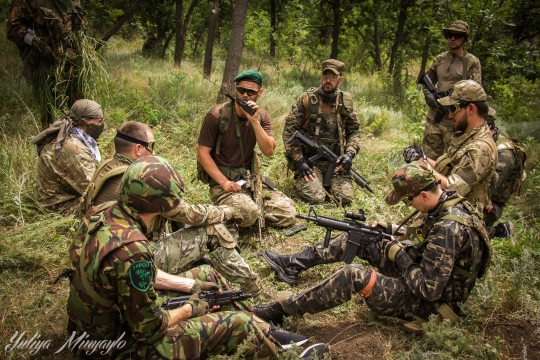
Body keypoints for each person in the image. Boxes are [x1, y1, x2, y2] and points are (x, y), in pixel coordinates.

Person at [65, 156, 319, 359]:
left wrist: (193, 286)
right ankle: (287, 354)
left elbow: (125, 278)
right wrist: (191, 308)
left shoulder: (103, 212)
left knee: (208, 276)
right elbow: (149, 330)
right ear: (162, 205)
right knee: (236, 325)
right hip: (112, 347)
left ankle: (264, 331)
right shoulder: (134, 252)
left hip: (99, 322)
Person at [255, 164, 490, 333]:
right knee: (362, 236)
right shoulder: (448, 203)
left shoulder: (447, 228)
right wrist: (392, 229)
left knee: (354, 275)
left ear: (425, 195)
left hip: (433, 304)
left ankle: (282, 310)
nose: (409, 206)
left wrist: (399, 256)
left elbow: (428, 289)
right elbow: (425, 237)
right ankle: (292, 264)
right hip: (426, 273)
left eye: (409, 201)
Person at [79, 121, 274, 299]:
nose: (154, 153)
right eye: (151, 146)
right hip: (133, 258)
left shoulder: (107, 167)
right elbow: (189, 213)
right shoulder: (140, 180)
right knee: (213, 231)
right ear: (138, 149)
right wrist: (230, 211)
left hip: (103, 252)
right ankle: (255, 292)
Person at [197, 70, 296, 228]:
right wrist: (224, 183)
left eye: (251, 92)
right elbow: (203, 153)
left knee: (288, 213)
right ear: (235, 89)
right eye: (241, 90)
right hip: (223, 183)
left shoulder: (262, 116)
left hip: (249, 180)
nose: (245, 95)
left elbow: (269, 151)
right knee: (249, 213)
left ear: (260, 93)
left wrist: (255, 122)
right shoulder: (217, 115)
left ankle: (247, 211)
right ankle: (237, 212)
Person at [404, 79, 497, 218]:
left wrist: (424, 167)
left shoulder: (481, 149)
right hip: (445, 208)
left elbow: (453, 187)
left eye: (453, 108)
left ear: (471, 109)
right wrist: (422, 159)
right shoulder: (466, 137)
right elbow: (449, 170)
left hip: (459, 220)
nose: (449, 115)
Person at [282, 59, 361, 205]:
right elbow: (289, 132)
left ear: (340, 80)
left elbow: (354, 132)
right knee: (316, 198)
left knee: (344, 198)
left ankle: (331, 182)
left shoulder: (346, 103)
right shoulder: (307, 99)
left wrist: (349, 154)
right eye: (325, 76)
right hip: (310, 163)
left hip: (336, 162)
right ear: (321, 77)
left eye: (333, 77)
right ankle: (307, 180)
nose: (328, 80)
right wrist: (299, 161)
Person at [7, 0, 97, 128]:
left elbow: (78, 25)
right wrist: (38, 43)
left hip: (72, 63)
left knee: (81, 108)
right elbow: (13, 29)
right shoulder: (26, 2)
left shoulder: (71, 1)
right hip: (45, 65)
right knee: (50, 112)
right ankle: (50, 143)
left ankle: (82, 142)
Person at [421, 20, 482, 160]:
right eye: (450, 35)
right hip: (434, 118)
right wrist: (428, 94)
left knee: (453, 162)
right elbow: (427, 81)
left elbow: (475, 93)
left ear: (465, 38)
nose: (453, 38)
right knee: (428, 161)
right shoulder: (440, 59)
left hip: (455, 122)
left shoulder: (471, 62)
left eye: (457, 35)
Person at [31, 99, 104, 214]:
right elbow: (94, 190)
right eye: (99, 121)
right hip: (57, 207)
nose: (101, 125)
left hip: (50, 199)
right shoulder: (74, 149)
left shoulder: (66, 135)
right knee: (109, 206)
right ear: (85, 122)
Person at [484, 108, 526, 238]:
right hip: (476, 196)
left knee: (456, 227)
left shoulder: (504, 155)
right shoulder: (483, 142)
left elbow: (485, 190)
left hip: (490, 205)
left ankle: (498, 231)